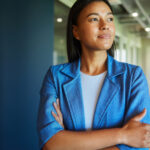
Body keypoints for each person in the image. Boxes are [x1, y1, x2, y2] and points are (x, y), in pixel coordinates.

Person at [37, 0, 150, 149]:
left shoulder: (133, 76)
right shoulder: (56, 76)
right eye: (94, 19)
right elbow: (51, 143)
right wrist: (123, 135)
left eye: (110, 18)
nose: (105, 25)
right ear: (76, 31)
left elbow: (140, 141)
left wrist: (68, 142)